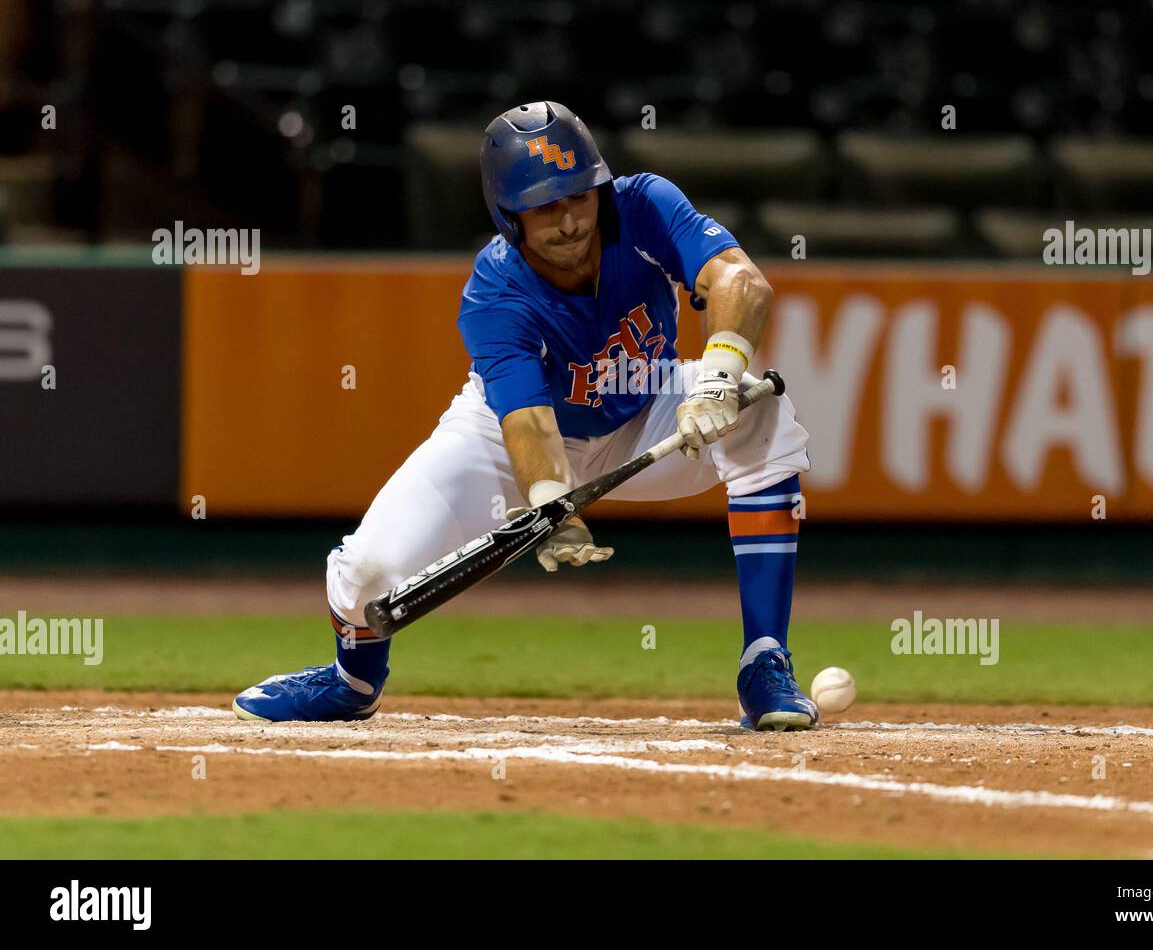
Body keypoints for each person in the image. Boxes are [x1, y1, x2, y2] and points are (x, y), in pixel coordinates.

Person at [233, 101, 818, 731]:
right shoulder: (495, 290)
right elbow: (528, 420)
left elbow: (740, 281)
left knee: (765, 412)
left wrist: (719, 380)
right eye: (544, 207)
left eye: (578, 198)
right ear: (509, 217)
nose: (568, 222)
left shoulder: (641, 206)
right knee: (367, 574)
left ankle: (764, 662)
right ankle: (353, 683)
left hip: (649, 409)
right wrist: (550, 503)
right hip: (509, 437)